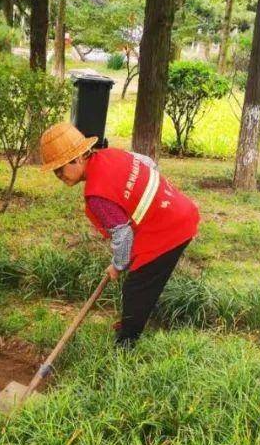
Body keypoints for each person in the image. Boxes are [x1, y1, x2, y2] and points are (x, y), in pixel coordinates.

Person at [38, 122, 200, 347]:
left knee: (137, 287)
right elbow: (147, 163)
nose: (58, 176)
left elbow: (123, 237)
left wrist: (117, 265)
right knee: (142, 282)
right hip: (181, 210)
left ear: (77, 159)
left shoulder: (96, 194)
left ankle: (126, 344)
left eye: (59, 169)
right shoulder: (112, 155)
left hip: (169, 229)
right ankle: (131, 324)